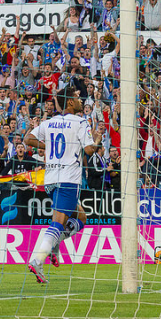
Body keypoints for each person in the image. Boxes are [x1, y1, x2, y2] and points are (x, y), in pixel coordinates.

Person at [24, 87, 95, 283]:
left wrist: (49, 146)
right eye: (78, 97)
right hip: (68, 178)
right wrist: (97, 141)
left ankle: (54, 245)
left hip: (50, 180)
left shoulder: (50, 122)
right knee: (57, 221)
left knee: (80, 216)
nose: (81, 101)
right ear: (70, 102)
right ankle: (37, 259)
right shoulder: (81, 121)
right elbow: (89, 150)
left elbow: (27, 139)